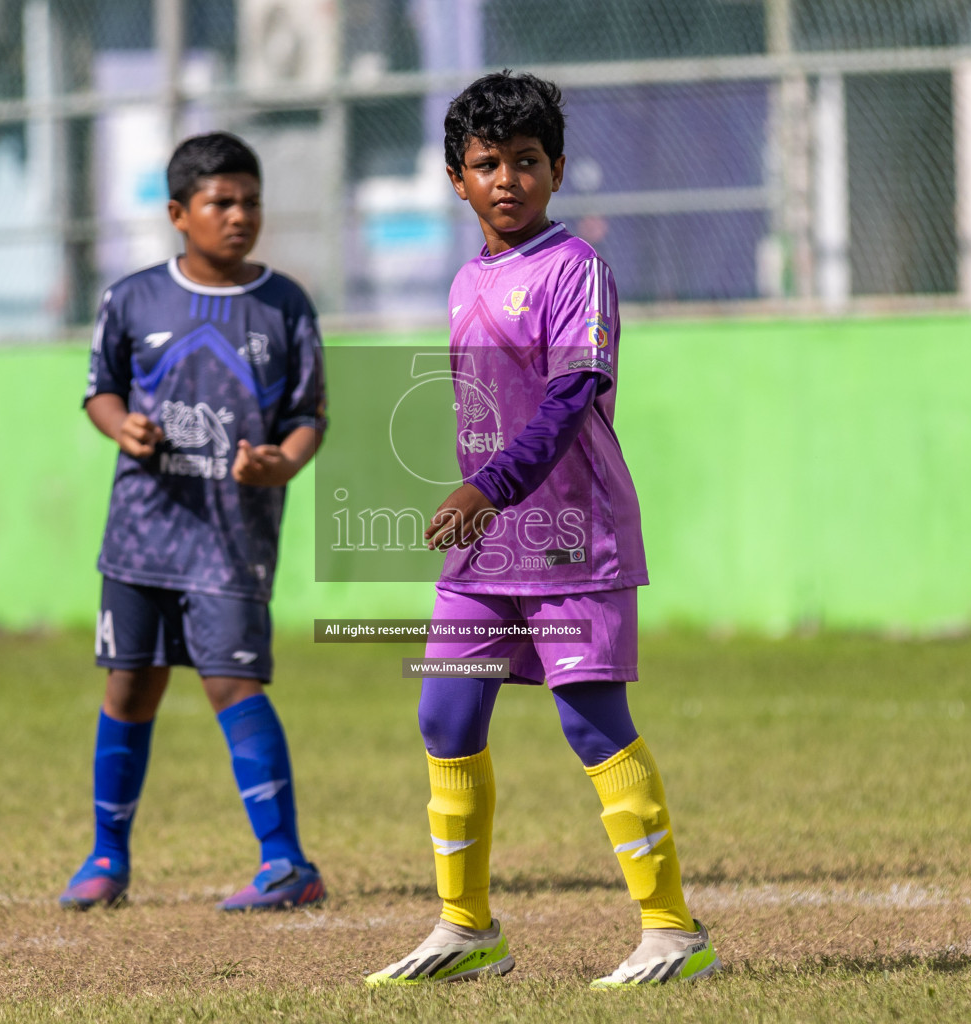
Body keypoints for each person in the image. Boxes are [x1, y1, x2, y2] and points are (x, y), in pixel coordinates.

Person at [365, 71, 718, 988]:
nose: (508, 179)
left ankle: (673, 932)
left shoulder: (576, 271)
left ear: (556, 169)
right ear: (458, 179)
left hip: (570, 537)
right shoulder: (462, 282)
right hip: (486, 549)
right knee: (444, 714)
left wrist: (487, 486)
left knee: (592, 723)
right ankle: (467, 928)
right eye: (488, 164)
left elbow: (568, 401)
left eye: (527, 161)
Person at [60, 131, 327, 911]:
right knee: (130, 687)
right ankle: (107, 857)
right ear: (180, 212)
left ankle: (286, 863)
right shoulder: (133, 297)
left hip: (231, 540)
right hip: (140, 535)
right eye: (221, 202)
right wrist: (121, 427)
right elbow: (100, 389)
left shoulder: (285, 304)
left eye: (250, 201)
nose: (239, 215)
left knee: (233, 683)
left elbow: (310, 413)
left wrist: (284, 461)